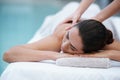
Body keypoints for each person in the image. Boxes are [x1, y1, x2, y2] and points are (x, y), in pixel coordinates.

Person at [3, 19, 117, 63]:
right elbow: (9, 54)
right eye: (68, 36)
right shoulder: (60, 37)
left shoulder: (102, 42)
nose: (63, 46)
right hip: (73, 18)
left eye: (72, 48)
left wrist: (108, 54)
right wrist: (55, 55)